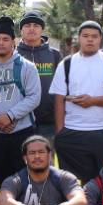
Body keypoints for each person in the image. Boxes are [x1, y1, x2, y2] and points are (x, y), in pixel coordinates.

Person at [50, 20, 103, 183]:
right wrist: (60, 133)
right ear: (79, 38)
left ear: (101, 39)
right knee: (74, 184)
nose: (90, 39)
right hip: (73, 131)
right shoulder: (66, 64)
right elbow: (59, 100)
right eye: (85, 36)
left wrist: (93, 101)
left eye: (94, 36)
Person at [0, 16, 41, 188]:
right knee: (0, 176)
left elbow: (34, 97)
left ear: (13, 41)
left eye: (5, 39)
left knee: (27, 179)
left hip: (23, 132)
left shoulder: (27, 67)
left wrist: (10, 116)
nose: (1, 43)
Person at [16, 10, 61, 141]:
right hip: (20, 122)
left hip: (49, 123)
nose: (31, 29)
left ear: (42, 30)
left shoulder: (54, 54)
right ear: (21, 30)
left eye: (36, 25)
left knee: (46, 160)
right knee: (21, 161)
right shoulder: (13, 55)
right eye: (27, 25)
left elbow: (63, 87)